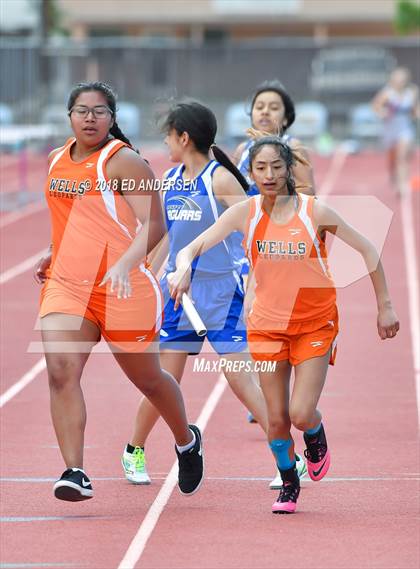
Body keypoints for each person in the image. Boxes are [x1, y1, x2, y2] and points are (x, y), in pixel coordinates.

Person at [166, 136, 400, 514]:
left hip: (314, 324)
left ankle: (315, 433)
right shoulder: (247, 212)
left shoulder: (314, 211)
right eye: (260, 168)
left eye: (277, 167)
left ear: (289, 169)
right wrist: (182, 268)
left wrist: (385, 306)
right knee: (275, 420)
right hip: (267, 328)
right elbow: (195, 245)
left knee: (300, 413)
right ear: (251, 173)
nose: (269, 175)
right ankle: (289, 481)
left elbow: (368, 249)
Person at [34, 82, 203, 501]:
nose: (89, 118)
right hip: (69, 284)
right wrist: (54, 250)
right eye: (81, 110)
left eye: (99, 111)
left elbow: (155, 226)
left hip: (122, 289)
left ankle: (185, 440)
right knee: (60, 371)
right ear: (69, 115)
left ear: (112, 118)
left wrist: (126, 263)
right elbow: (76, 219)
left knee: (148, 380)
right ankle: (75, 471)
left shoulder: (124, 162)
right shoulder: (57, 160)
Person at [122, 100, 279, 485]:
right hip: (179, 298)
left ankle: (284, 458)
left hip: (224, 295)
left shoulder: (220, 180)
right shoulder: (171, 181)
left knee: (242, 380)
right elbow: (166, 240)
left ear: (184, 137)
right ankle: (134, 450)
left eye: (168, 135)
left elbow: (255, 230)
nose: (165, 142)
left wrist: (258, 278)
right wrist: (146, 276)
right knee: (161, 381)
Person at [233, 80, 315, 197]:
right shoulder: (242, 149)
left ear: (286, 118)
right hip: (248, 214)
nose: (265, 112)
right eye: (259, 107)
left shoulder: (292, 145)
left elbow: (309, 191)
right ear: (252, 115)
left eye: (274, 108)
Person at [372, 67, 419, 195]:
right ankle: (394, 177)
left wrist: (416, 113)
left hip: (405, 129)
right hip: (389, 130)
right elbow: (376, 106)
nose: (400, 83)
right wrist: (382, 112)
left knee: (402, 157)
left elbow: (413, 110)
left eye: (402, 80)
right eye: (397, 80)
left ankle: (403, 184)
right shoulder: (387, 93)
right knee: (393, 160)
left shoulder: (411, 92)